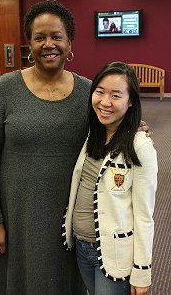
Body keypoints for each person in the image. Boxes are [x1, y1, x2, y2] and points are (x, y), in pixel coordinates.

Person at [0, 0, 150, 295]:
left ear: (70, 43)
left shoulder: (88, 91)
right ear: (29, 43)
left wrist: (135, 128)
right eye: (39, 37)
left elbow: (110, 128)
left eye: (57, 37)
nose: (49, 44)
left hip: (69, 219)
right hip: (17, 215)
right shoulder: (6, 89)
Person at [62, 62, 157, 295]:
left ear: (131, 101)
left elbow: (145, 216)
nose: (105, 102)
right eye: (100, 92)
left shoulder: (139, 145)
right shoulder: (91, 136)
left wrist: (142, 271)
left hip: (113, 253)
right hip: (82, 248)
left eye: (116, 95)